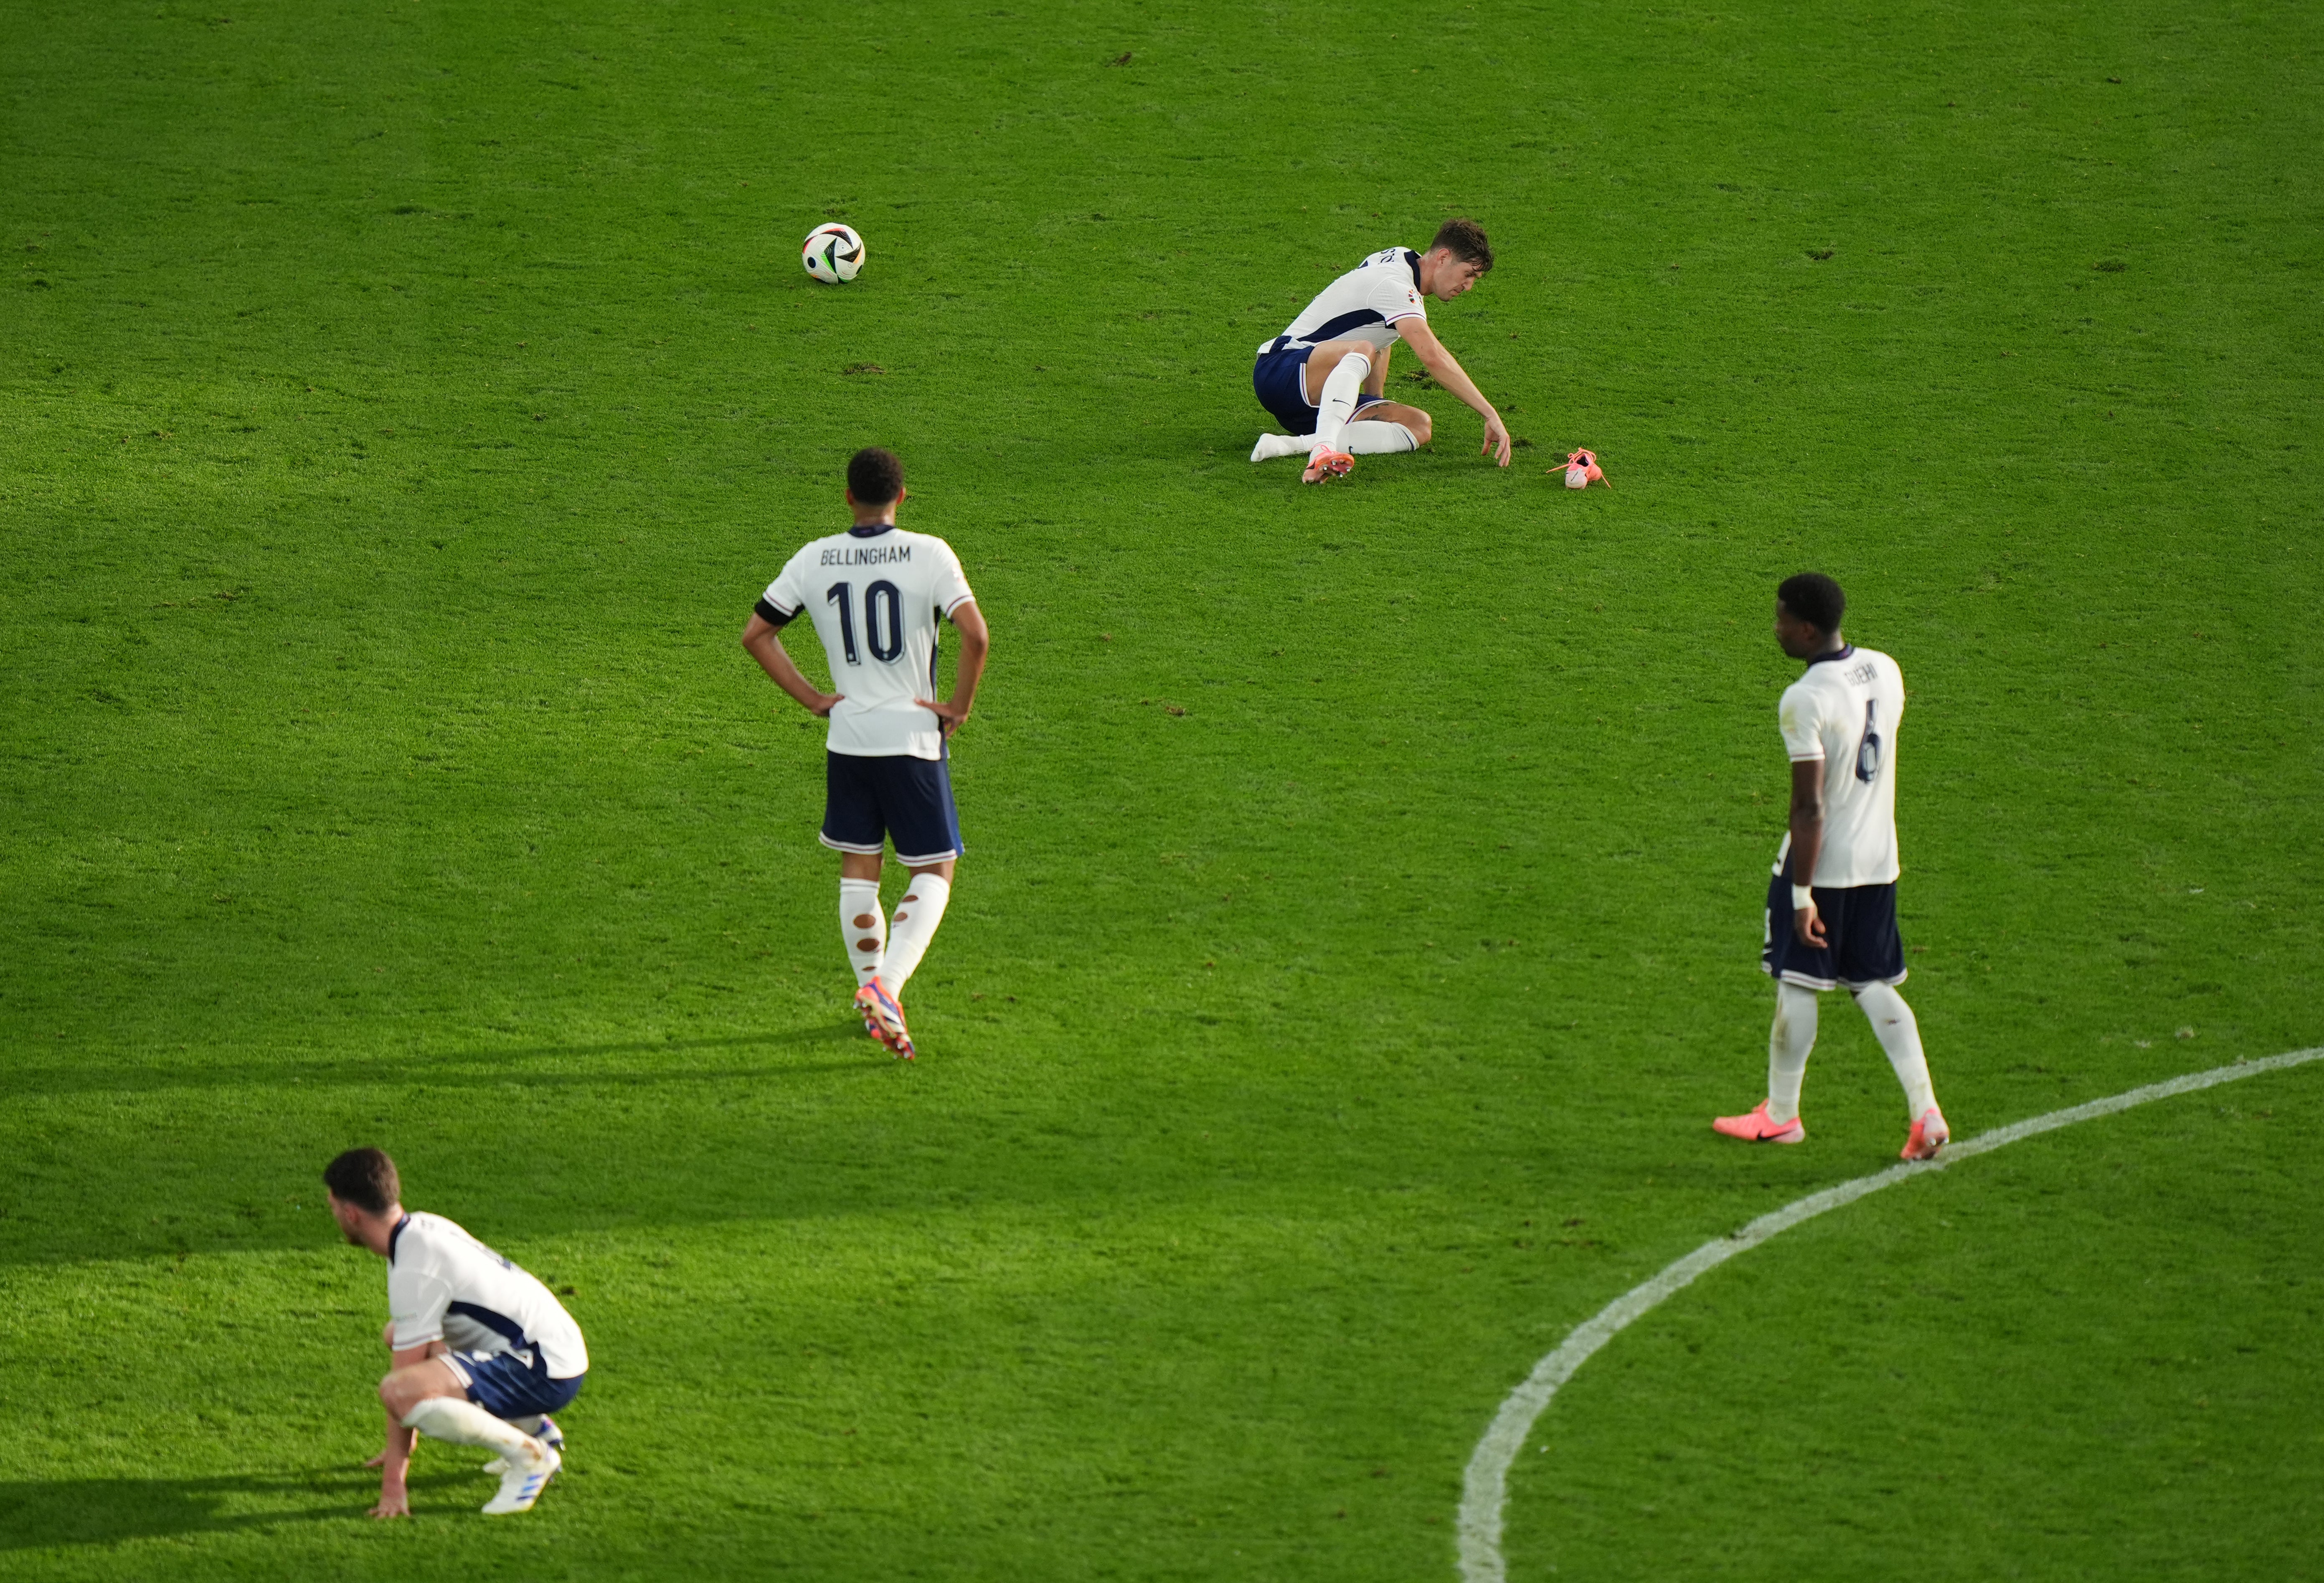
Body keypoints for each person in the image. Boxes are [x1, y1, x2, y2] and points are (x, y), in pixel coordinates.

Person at [741, 446, 988, 1060]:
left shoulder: (815, 557)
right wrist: (957, 707)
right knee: (934, 869)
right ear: (902, 497)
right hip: (911, 739)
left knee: (860, 868)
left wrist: (813, 699)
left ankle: (869, 993)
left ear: (848, 496)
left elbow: (757, 634)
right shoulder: (930, 552)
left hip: (848, 735)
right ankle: (887, 985)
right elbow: (976, 635)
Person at [1714, 573, 1950, 1160]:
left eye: (1781, 619)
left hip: (1822, 867)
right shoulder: (1886, 668)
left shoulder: (1805, 698)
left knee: (1797, 979)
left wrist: (1801, 897)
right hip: (1879, 859)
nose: (1776, 628)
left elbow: (1810, 805)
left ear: (1808, 628)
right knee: (1871, 982)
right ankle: (1927, 1113)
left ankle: (1782, 1115)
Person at [324, 1147, 586, 1518]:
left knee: (398, 1392)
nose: (334, 1217)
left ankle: (531, 1458)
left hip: (546, 1368)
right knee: (397, 1336)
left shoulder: (415, 1267)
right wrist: (403, 1439)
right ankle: (534, 1427)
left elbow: (403, 1384)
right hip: (554, 1348)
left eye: (333, 1208)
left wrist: (394, 1483)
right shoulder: (418, 1228)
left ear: (351, 1213)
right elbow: (409, 1348)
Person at [1248, 217, 1513, 484]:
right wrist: (1490, 414)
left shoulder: (1400, 258)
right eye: (1468, 274)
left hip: (1316, 399)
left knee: (1418, 425)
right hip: (1281, 369)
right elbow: (1433, 357)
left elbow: (1379, 334)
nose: (1469, 286)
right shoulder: (1397, 287)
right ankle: (1323, 449)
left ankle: (1288, 445)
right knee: (1362, 349)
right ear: (1443, 257)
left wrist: (1375, 403)